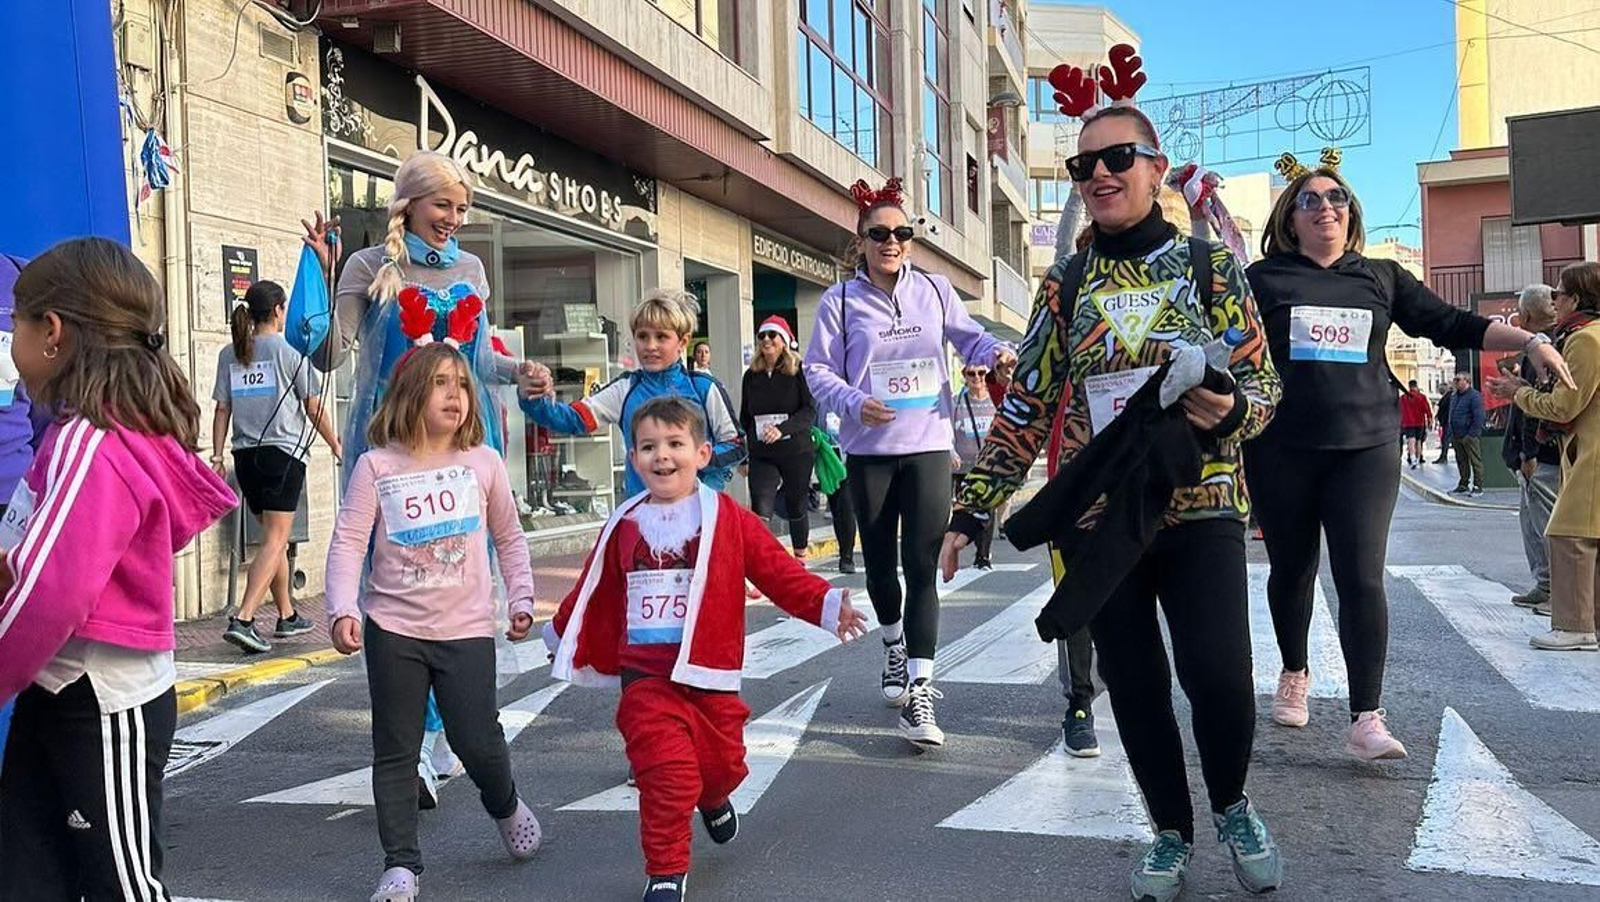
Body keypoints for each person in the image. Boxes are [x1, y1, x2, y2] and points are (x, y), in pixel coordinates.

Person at [945, 54, 1285, 896]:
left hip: (1201, 502)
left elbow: (1267, 387)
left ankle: (1233, 802)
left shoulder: (1210, 269)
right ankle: (1169, 830)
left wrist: (1232, 411)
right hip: (1101, 518)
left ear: (1155, 169)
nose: (1099, 175)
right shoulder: (1063, 284)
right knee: (1134, 685)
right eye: (1082, 165)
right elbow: (1026, 404)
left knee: (1217, 677)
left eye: (1116, 159)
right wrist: (972, 509)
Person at [1243, 155, 1571, 761]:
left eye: (1336, 197)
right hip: (1281, 448)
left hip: (1366, 447)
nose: (1325, 208)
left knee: (1362, 576)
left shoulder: (1383, 278)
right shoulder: (1262, 280)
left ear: (1351, 213)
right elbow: (1227, 346)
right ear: (1290, 218)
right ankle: (1294, 670)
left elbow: (1452, 323)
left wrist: (1531, 338)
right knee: (1292, 570)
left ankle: (1367, 716)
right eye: (1309, 200)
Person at [544, 397, 867, 902]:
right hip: (645, 678)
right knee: (665, 773)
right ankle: (666, 870)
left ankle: (714, 795)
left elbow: (775, 571)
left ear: (702, 453)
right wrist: (561, 634)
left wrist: (826, 604)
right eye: (649, 447)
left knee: (723, 763)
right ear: (633, 458)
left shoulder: (725, 517)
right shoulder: (624, 523)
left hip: (708, 676)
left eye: (675, 445)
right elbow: (592, 587)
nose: (662, 456)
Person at [303, 151, 550, 802]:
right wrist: (321, 278)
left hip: (463, 445)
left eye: (461, 208)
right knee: (396, 586)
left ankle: (442, 736)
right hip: (391, 447)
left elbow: (480, 360)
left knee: (460, 578)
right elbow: (329, 355)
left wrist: (518, 371)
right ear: (408, 202)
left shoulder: (470, 268)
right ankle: (408, 747)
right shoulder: (368, 265)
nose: (454, 219)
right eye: (443, 205)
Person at [0, 238, 236, 900]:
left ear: (51, 333)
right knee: (25, 874)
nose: (8, 338)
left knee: (123, 888)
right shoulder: (96, 432)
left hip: (98, 701)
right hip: (61, 688)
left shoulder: (90, 442)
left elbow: (51, 593)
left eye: (13, 322)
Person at [325, 342, 543, 901]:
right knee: (395, 748)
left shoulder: (484, 464)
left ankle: (505, 802)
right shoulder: (376, 466)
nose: (456, 395)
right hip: (393, 629)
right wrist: (343, 608)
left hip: (467, 628)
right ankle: (401, 865)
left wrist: (521, 598)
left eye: (463, 385)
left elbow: (509, 539)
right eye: (442, 383)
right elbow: (349, 541)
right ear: (410, 394)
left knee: (477, 740)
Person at [803, 176, 1014, 747]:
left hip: (927, 445)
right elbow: (817, 370)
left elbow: (969, 340)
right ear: (862, 240)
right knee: (879, 568)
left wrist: (995, 353)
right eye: (880, 234)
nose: (891, 242)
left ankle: (919, 691)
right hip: (868, 452)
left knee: (921, 566)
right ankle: (894, 645)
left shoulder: (936, 290)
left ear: (911, 241)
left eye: (901, 232)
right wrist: (853, 401)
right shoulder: (839, 301)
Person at [213, 280, 342, 654]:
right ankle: (245, 618)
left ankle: (287, 614)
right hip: (283, 455)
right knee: (274, 539)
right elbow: (313, 406)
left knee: (274, 536)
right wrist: (335, 444)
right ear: (279, 311)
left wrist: (218, 455)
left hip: (245, 457)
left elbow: (222, 408)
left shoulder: (230, 353)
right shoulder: (291, 350)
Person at [521, 289, 744, 496]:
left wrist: (697, 461)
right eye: (642, 336)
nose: (650, 346)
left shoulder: (704, 388)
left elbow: (737, 445)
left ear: (683, 341)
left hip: (700, 516)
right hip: (641, 518)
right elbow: (572, 419)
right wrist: (532, 396)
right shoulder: (626, 389)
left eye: (661, 337)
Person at [1489, 262, 1600, 651]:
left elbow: (1566, 404)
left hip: (1591, 452)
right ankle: (1589, 624)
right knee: (1587, 536)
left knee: (1568, 534)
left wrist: (1517, 393)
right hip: (1585, 449)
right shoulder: (1584, 335)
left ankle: (1575, 626)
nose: (1555, 301)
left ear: (1577, 298)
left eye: (1560, 293)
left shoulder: (1585, 340)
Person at [1500, 284, 1560, 612]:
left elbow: (1537, 405)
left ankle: (1554, 590)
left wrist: (1529, 453)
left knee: (1546, 525)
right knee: (1532, 522)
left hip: (1540, 455)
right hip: (1539, 452)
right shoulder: (1548, 346)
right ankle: (1545, 585)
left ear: (1524, 316)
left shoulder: (1545, 349)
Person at [740, 315, 817, 559]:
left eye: (772, 335)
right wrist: (744, 455)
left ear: (784, 341)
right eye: (761, 335)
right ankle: (760, 565)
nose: (766, 340)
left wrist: (782, 429)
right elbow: (745, 418)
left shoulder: (798, 372)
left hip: (796, 450)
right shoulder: (751, 376)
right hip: (763, 453)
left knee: (796, 505)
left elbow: (809, 411)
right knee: (760, 508)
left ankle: (800, 559)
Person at [950, 365, 997, 569]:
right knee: (963, 509)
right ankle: (956, 548)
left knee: (986, 508)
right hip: (962, 467)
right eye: (971, 373)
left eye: (982, 373)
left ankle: (983, 555)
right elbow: (945, 430)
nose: (977, 377)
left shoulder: (996, 400)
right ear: (964, 376)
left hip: (988, 466)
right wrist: (951, 452)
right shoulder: (956, 402)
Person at [1449, 371, 1487, 495]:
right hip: (1456, 434)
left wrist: (1472, 434)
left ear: (1467, 381)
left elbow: (1479, 416)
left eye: (1458, 380)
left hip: (1468, 435)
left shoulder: (1474, 396)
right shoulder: (1454, 396)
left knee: (1475, 461)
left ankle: (1478, 486)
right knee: (1461, 460)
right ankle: (1463, 483)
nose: (1455, 382)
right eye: (1455, 380)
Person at [1399, 379, 1432, 469]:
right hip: (1420, 422)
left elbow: (1399, 410)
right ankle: (1418, 459)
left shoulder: (1403, 397)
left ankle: (1413, 459)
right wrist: (1429, 419)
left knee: (1410, 440)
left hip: (1408, 422)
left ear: (1409, 386)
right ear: (1416, 386)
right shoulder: (1422, 397)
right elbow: (1427, 409)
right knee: (1418, 441)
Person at [1434, 384, 1454, 464]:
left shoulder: (1449, 397)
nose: (1439, 391)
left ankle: (1443, 457)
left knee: (1446, 439)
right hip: (1446, 421)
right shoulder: (1447, 396)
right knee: (1445, 439)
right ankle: (1443, 456)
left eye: (1440, 389)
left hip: (1448, 422)